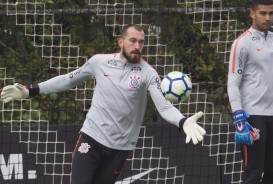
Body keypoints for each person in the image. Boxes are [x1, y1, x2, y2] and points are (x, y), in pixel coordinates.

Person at [0, 24, 206, 184]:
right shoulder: (99, 62)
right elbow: (67, 80)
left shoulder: (148, 73)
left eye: (141, 42)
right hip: (92, 138)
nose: (137, 46)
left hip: (120, 149)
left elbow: (164, 106)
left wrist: (183, 122)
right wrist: (30, 90)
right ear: (120, 42)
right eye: (132, 41)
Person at [227, 0, 273, 183]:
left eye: (271, 13)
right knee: (254, 172)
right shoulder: (242, 43)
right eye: (263, 13)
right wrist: (239, 117)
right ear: (252, 14)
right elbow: (233, 82)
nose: (268, 18)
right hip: (253, 117)